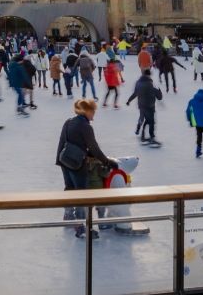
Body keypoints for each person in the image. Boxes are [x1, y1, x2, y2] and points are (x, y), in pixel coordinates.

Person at [55, 99, 118, 239]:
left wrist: (60, 161)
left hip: (65, 160)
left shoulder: (69, 122)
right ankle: (81, 228)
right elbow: (94, 148)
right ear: (87, 111)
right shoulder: (86, 126)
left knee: (70, 189)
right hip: (77, 164)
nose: (94, 114)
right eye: (93, 111)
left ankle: (68, 217)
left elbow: (63, 142)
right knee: (82, 195)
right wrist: (107, 162)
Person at [127, 69, 164, 147]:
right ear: (149, 75)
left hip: (141, 105)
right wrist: (159, 92)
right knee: (151, 122)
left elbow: (135, 93)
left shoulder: (138, 83)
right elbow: (159, 97)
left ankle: (143, 137)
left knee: (147, 120)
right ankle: (151, 138)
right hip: (149, 106)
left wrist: (129, 100)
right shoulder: (150, 83)